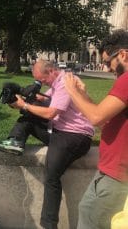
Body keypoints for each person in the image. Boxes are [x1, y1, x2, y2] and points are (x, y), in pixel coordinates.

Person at [0, 59, 94, 229]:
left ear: (51, 71)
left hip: (76, 135)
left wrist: (24, 105)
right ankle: (16, 141)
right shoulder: (55, 84)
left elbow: (50, 113)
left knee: (52, 176)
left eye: (42, 79)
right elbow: (45, 101)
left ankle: (49, 225)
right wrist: (21, 97)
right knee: (28, 117)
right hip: (59, 131)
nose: (41, 83)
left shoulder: (65, 82)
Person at [64, 29, 128, 229]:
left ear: (124, 54)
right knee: (89, 212)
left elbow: (96, 117)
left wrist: (71, 91)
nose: (107, 69)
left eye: (109, 63)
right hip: (112, 170)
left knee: (91, 218)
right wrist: (83, 95)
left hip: (117, 174)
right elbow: (104, 120)